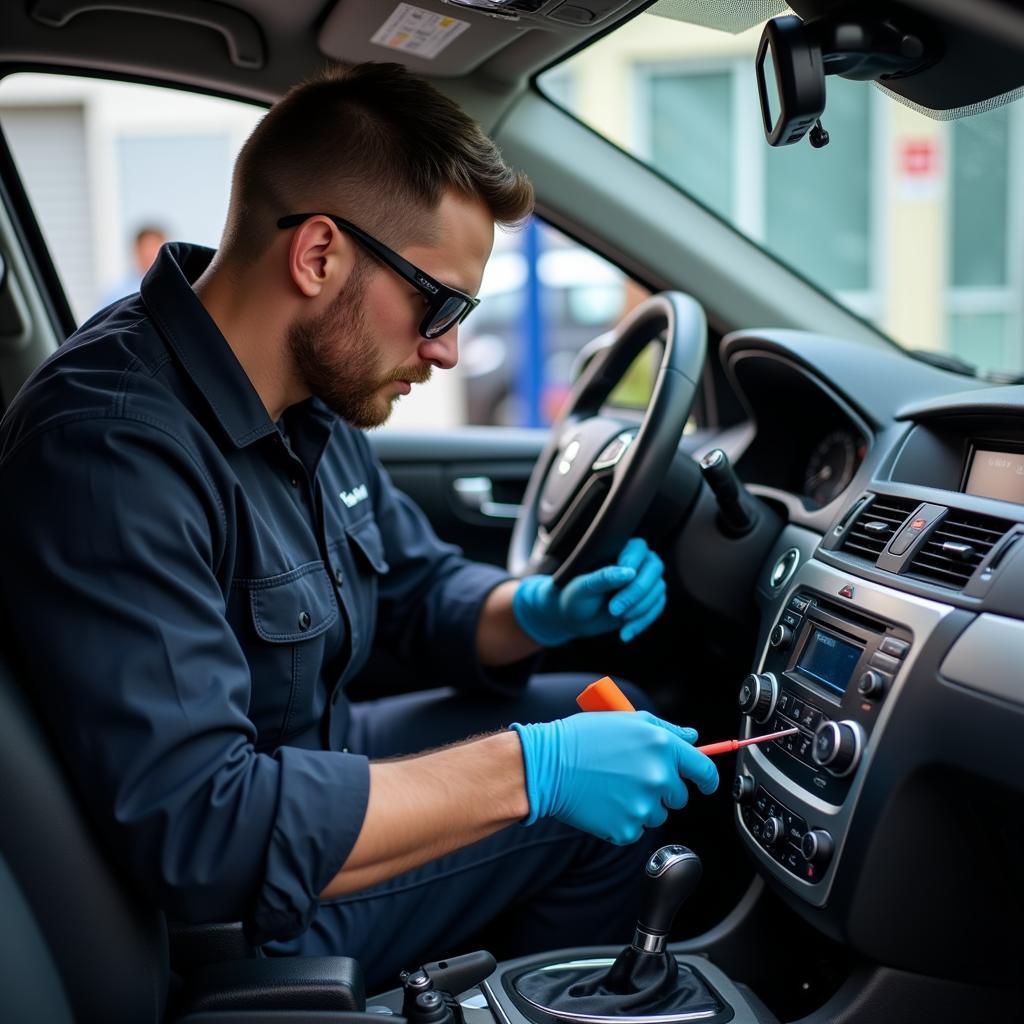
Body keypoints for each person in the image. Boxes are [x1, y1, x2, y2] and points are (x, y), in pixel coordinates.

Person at [0, 63, 718, 989]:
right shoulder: (110, 449)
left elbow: (417, 590)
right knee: (597, 806)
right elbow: (200, 825)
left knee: (605, 717)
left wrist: (537, 609)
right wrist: (529, 775)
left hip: (314, 766)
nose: (449, 348)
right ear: (319, 256)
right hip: (234, 910)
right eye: (440, 303)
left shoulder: (309, 398)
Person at [98, 223, 168, 306]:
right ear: (136, 250)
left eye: (155, 248)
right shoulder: (116, 293)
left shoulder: (173, 288)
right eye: (146, 248)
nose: (150, 254)